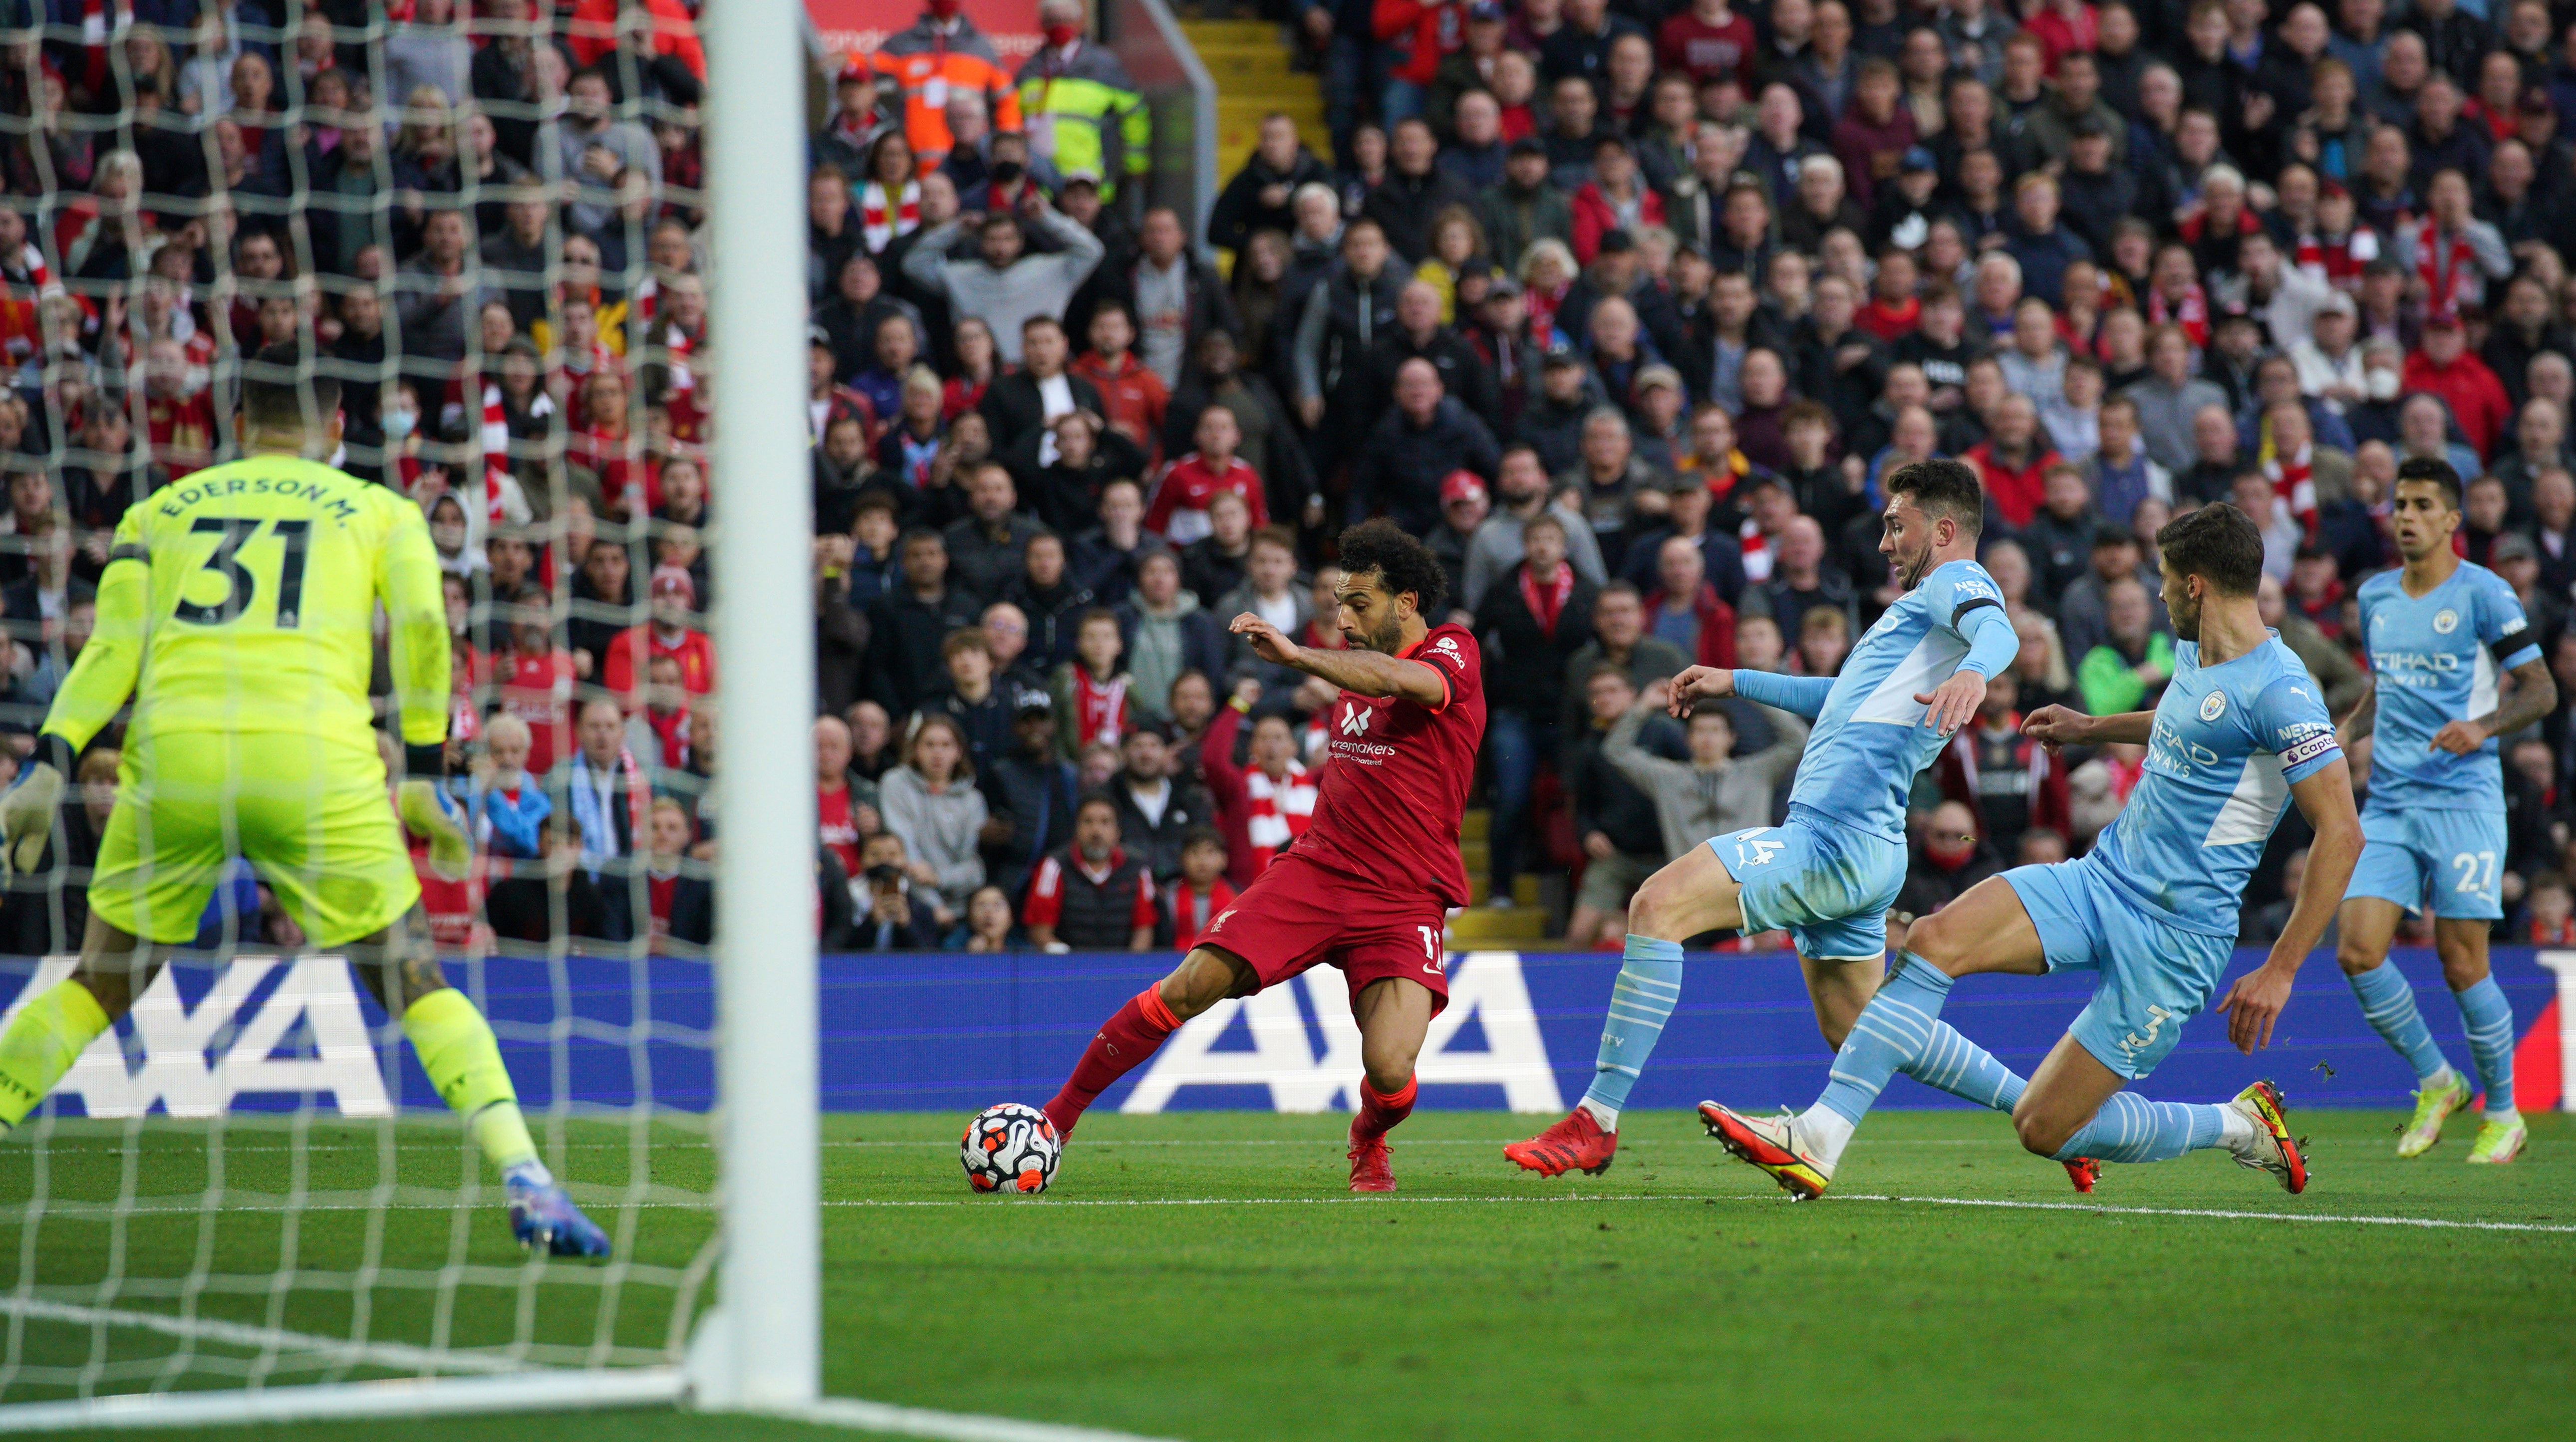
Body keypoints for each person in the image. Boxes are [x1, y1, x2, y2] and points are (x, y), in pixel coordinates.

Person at [0, 346, 608, 1256]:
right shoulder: (378, 509)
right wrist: (427, 772)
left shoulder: (159, 511)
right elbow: (422, 631)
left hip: (179, 755)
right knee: (412, 979)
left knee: (100, 978)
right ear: (333, 430)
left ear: (236, 424)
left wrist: (50, 762)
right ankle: (526, 1175)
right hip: (316, 760)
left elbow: (111, 651)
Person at [1703, 502, 2358, 1201]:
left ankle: (2236, 1125)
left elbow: (2341, 832)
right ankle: (1818, 1136)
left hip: (2176, 937)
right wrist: (2092, 728)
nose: (2160, 592)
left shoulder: (2283, 692)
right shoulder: (2198, 653)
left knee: (2042, 1126)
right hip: (2100, 881)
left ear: (2195, 585)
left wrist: (2281, 970)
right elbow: (2192, 718)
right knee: (1932, 939)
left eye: (2166, 579)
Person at [1505, 460, 2034, 1181]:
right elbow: (1844, 696)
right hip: (1865, 848)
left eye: (1895, 525)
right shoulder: (1920, 620)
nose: (1884, 542)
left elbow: (1995, 630)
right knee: (1862, 1029)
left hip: (1830, 839)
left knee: (1656, 904)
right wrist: (1738, 681)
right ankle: (2045, 1109)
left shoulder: (1953, 582)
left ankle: (1595, 1119)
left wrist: (1977, 670)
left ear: (1943, 530)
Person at [1038, 521, 1483, 1194]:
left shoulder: (1453, 648)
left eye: (1357, 602)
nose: (1342, 617)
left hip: (1403, 894)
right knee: (1186, 986)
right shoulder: (1351, 669)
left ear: (1407, 601)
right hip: (1316, 872)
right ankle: (1053, 1120)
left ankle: (1368, 1136)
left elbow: (1403, 680)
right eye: (1336, 601)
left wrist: (1297, 655)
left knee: (1390, 1068)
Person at [2330, 459, 2554, 1165]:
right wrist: (2347, 730)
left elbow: (2540, 689)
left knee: (2462, 964)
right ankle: (2436, 1080)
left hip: (2464, 800)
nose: (2406, 516)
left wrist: (2481, 727)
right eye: (2399, 504)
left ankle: (2505, 1112)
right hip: (2391, 800)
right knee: (2357, 949)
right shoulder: (2374, 597)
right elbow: (2383, 685)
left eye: (2422, 505)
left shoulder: (2485, 594)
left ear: (2452, 519)